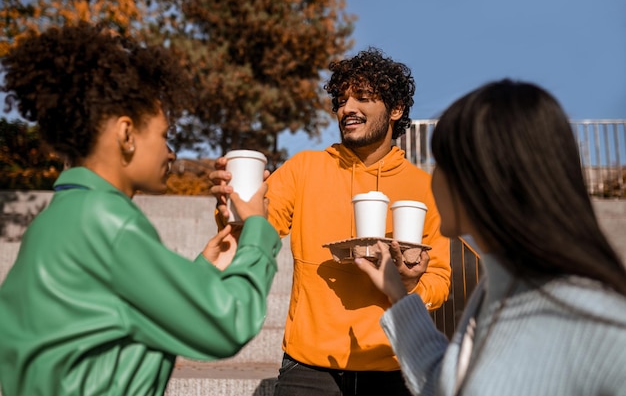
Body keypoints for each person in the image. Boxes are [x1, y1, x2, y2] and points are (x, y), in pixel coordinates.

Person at [0, 23, 281, 396]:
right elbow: (227, 322)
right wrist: (259, 230)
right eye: (164, 134)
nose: (171, 152)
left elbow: (119, 315)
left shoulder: (60, 217)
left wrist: (206, 271)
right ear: (126, 134)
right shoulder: (105, 222)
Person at [356, 79, 626, 396]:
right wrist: (398, 293)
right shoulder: (495, 291)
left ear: (483, 177)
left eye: (441, 163)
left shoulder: (603, 324)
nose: (431, 178)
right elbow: (443, 385)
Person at [210, 48, 451, 395]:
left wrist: (412, 286)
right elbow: (252, 232)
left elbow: (440, 279)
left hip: (393, 363)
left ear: (396, 109)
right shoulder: (304, 168)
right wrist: (228, 207)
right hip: (307, 367)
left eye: (363, 97)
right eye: (341, 100)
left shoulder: (424, 187)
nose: (347, 108)